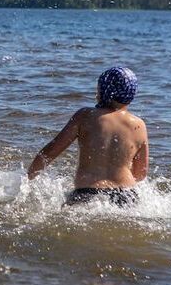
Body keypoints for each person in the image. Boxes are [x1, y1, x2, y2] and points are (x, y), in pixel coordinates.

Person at [26, 67, 148, 206]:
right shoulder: (139, 125)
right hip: (127, 195)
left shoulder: (85, 116)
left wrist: (29, 178)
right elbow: (140, 173)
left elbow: (51, 151)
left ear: (102, 91)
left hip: (87, 193)